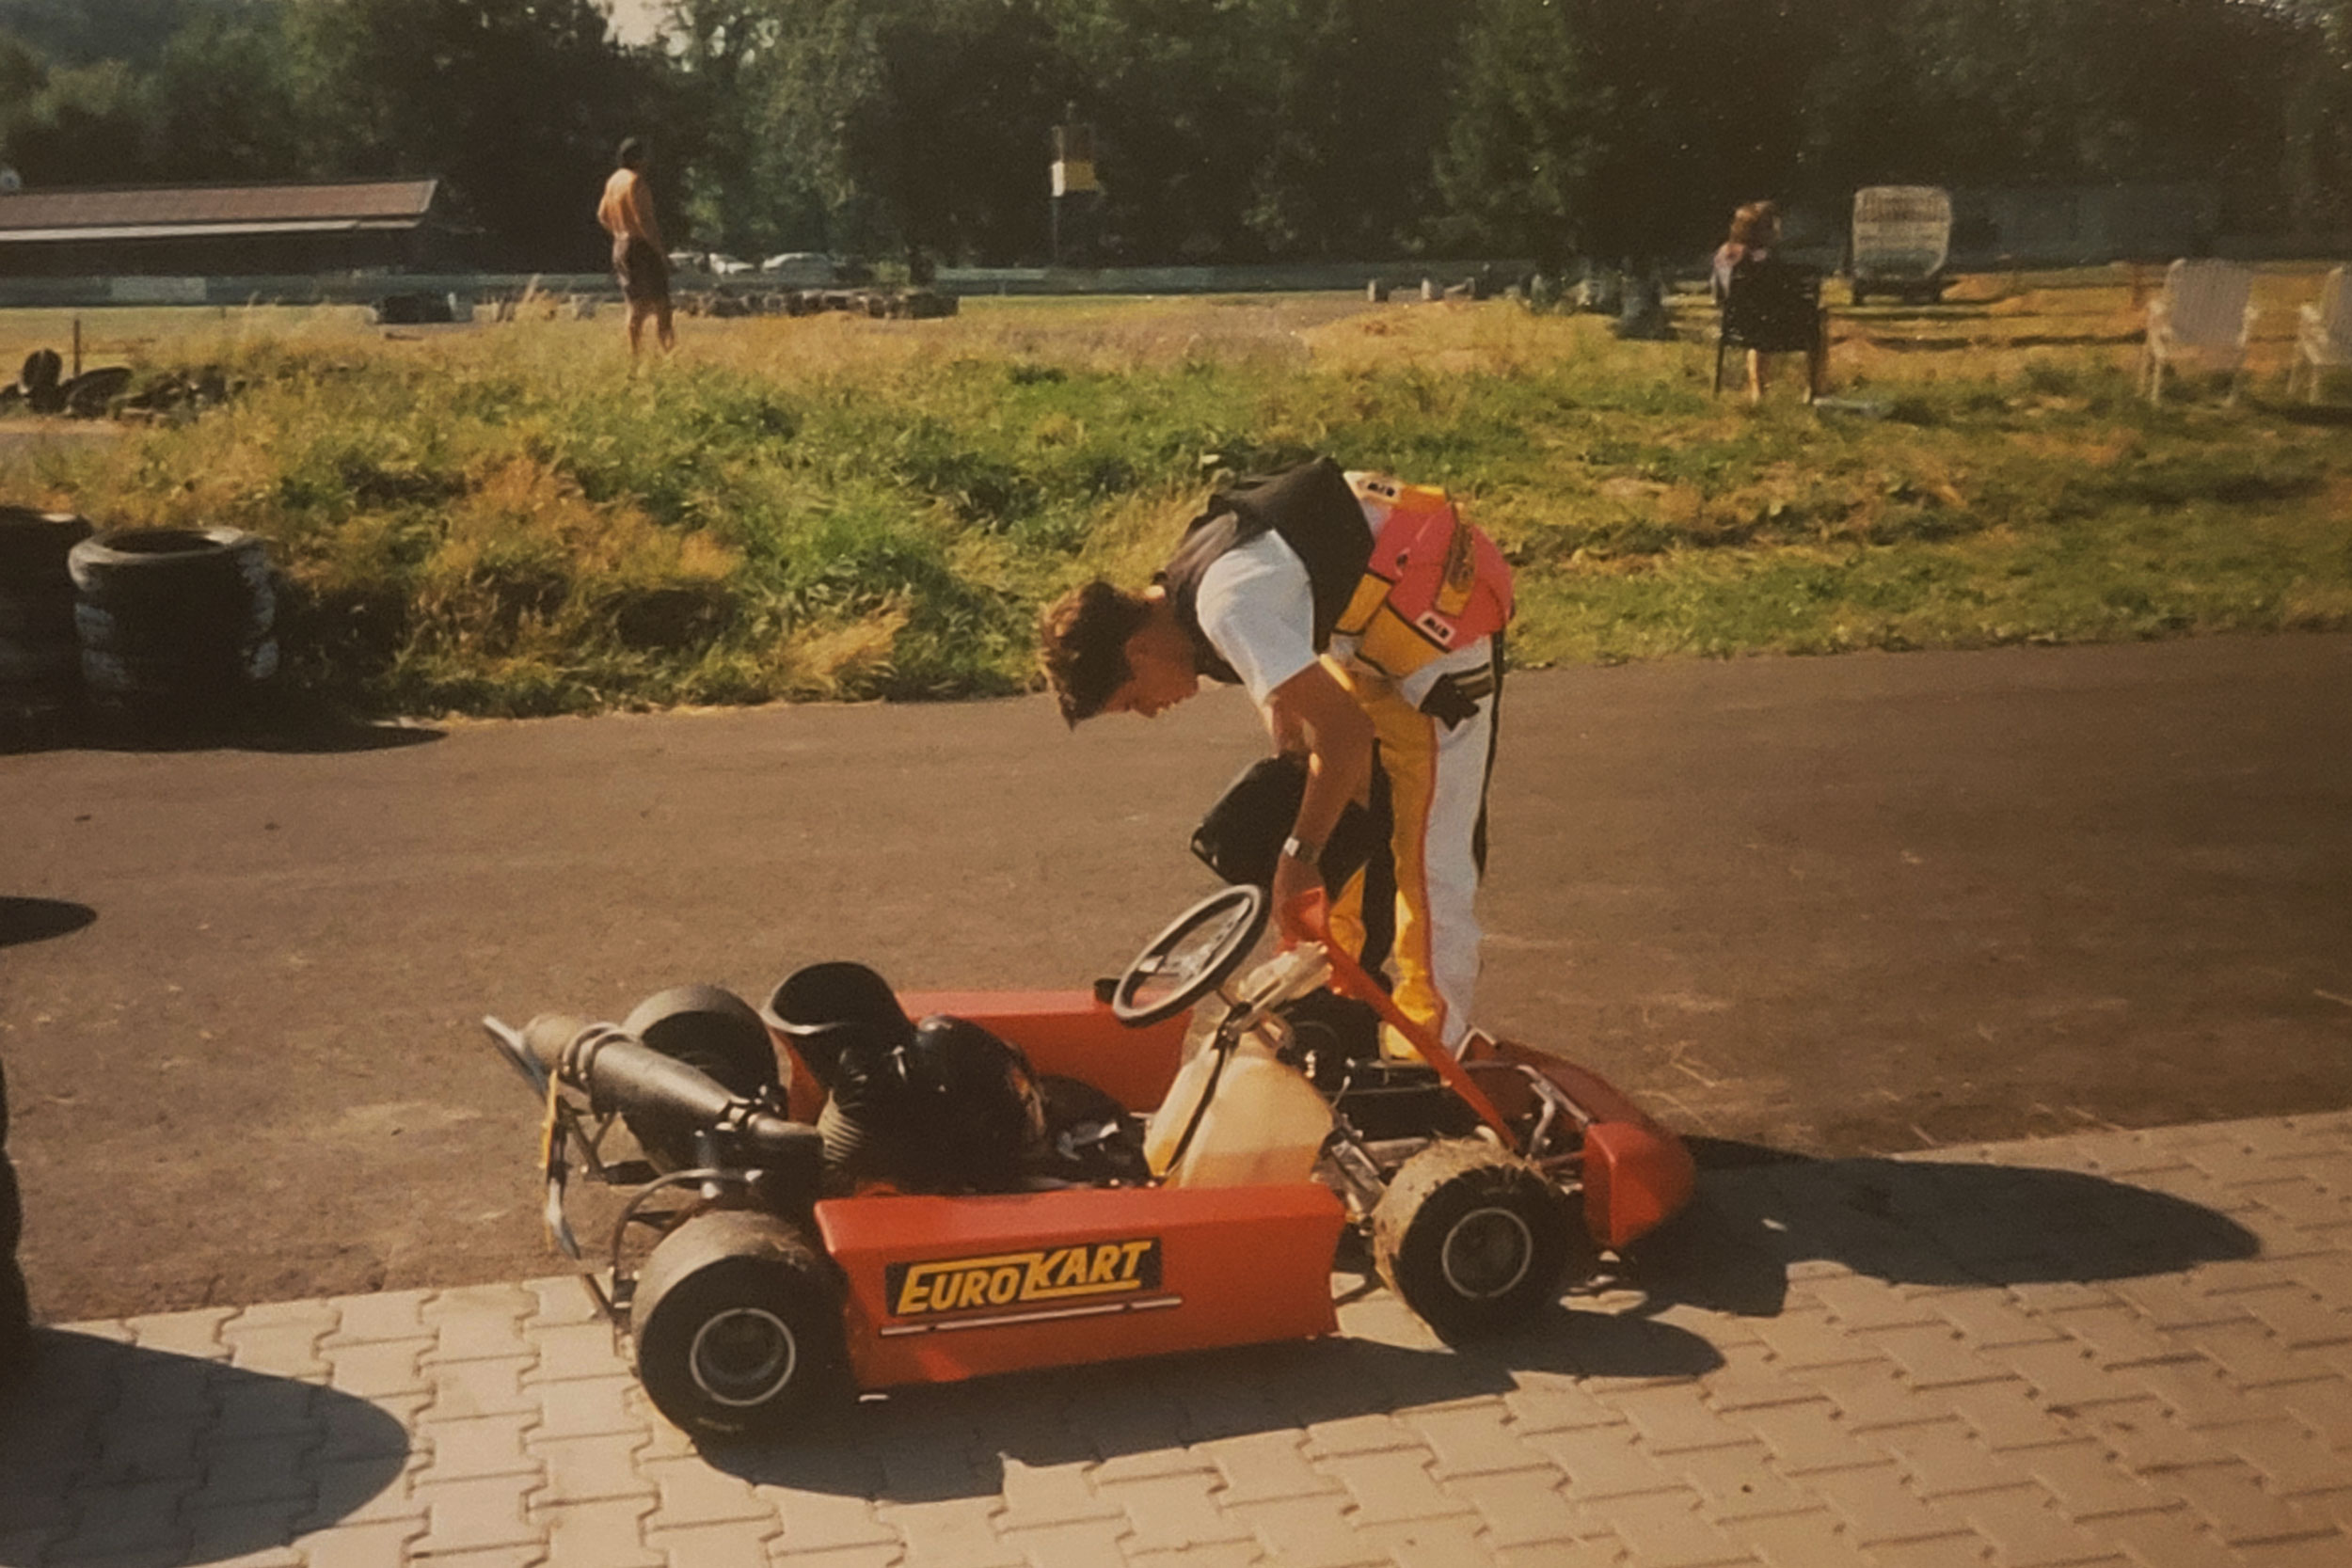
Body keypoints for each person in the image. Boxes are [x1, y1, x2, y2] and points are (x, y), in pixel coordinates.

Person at [1040, 457, 1513, 1057]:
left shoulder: (1223, 609)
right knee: (1334, 812)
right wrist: (1289, 747)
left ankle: (1434, 1044)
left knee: (1428, 852)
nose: (1152, 713)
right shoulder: (1189, 588)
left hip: (1442, 631)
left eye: (1134, 700)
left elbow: (1345, 738)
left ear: (1137, 652)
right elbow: (1284, 654)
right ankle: (1329, 1001)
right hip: (1369, 628)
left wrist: (1298, 853)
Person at [1711, 200, 1826, 403]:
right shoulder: (1765, 260)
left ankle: (1758, 393)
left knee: (1758, 331)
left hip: (1738, 327)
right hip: (1774, 330)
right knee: (1820, 317)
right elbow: (1786, 297)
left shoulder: (1723, 255)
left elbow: (1718, 296)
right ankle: (1812, 389)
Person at [597, 137, 675, 360]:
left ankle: (635, 357)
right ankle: (668, 355)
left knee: (634, 306)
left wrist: (619, 232)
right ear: (637, 159)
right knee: (662, 305)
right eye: (645, 156)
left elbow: (602, 216)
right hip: (641, 247)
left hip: (620, 246)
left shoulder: (613, 181)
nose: (648, 161)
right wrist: (662, 254)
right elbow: (645, 221)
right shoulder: (636, 182)